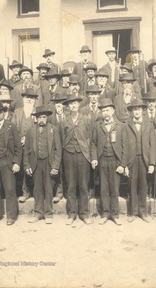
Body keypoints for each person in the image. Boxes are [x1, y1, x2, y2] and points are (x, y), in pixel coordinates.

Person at [91, 98, 128, 226]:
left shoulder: (121, 126)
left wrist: (122, 165)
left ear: (112, 111)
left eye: (107, 110)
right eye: (103, 111)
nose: (105, 113)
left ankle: (115, 214)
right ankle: (105, 213)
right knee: (104, 188)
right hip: (102, 161)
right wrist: (94, 158)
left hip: (115, 161)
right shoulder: (98, 126)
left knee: (114, 189)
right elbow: (93, 143)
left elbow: (125, 147)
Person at [23, 106, 62, 224]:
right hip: (36, 163)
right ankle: (38, 213)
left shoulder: (53, 129)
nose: (42, 119)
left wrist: (55, 166)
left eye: (44, 117)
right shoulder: (30, 130)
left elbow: (58, 150)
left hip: (48, 163)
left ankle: (49, 214)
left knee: (49, 188)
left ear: (47, 118)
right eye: (39, 117)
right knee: (37, 189)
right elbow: (27, 150)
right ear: (36, 118)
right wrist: (27, 165)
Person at [60, 93, 92, 225]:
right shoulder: (64, 121)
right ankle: (72, 213)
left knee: (83, 185)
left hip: (83, 155)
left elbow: (89, 137)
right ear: (68, 106)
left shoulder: (86, 119)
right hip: (68, 155)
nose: (73, 106)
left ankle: (84, 213)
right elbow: (62, 138)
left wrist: (88, 154)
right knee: (71, 185)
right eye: (71, 104)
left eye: (76, 103)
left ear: (79, 105)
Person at [125, 98, 156, 223]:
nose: (136, 112)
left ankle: (143, 212)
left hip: (144, 160)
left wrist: (152, 163)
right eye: (134, 110)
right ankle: (133, 212)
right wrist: (125, 164)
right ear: (131, 112)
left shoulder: (149, 125)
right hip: (132, 160)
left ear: (143, 111)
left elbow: (152, 145)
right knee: (132, 185)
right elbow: (124, 145)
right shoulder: (126, 125)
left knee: (143, 185)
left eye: (138, 109)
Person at [12, 87, 38, 202]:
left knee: (35, 167)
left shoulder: (37, 111)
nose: (29, 100)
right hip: (20, 144)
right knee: (23, 167)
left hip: (34, 144)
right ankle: (24, 192)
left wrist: (29, 139)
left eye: (31, 98)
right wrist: (20, 139)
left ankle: (36, 192)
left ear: (34, 100)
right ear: (23, 98)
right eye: (27, 97)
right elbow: (13, 128)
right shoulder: (17, 112)